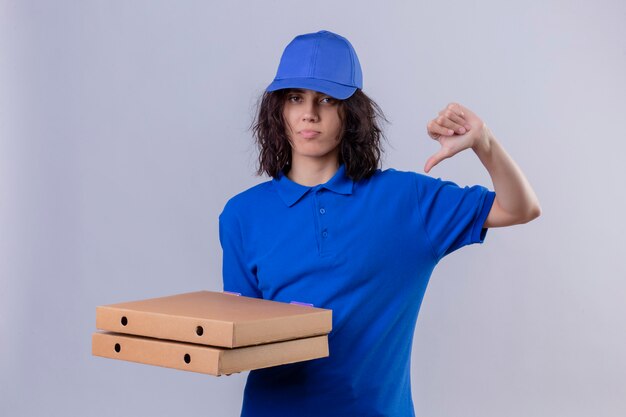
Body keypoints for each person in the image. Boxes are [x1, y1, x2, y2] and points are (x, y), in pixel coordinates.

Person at [219, 30, 540, 417]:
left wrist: (483, 142)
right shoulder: (242, 215)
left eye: (327, 99)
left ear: (350, 112)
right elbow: (240, 334)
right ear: (278, 110)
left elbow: (520, 208)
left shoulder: (408, 201)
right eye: (295, 98)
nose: (309, 113)